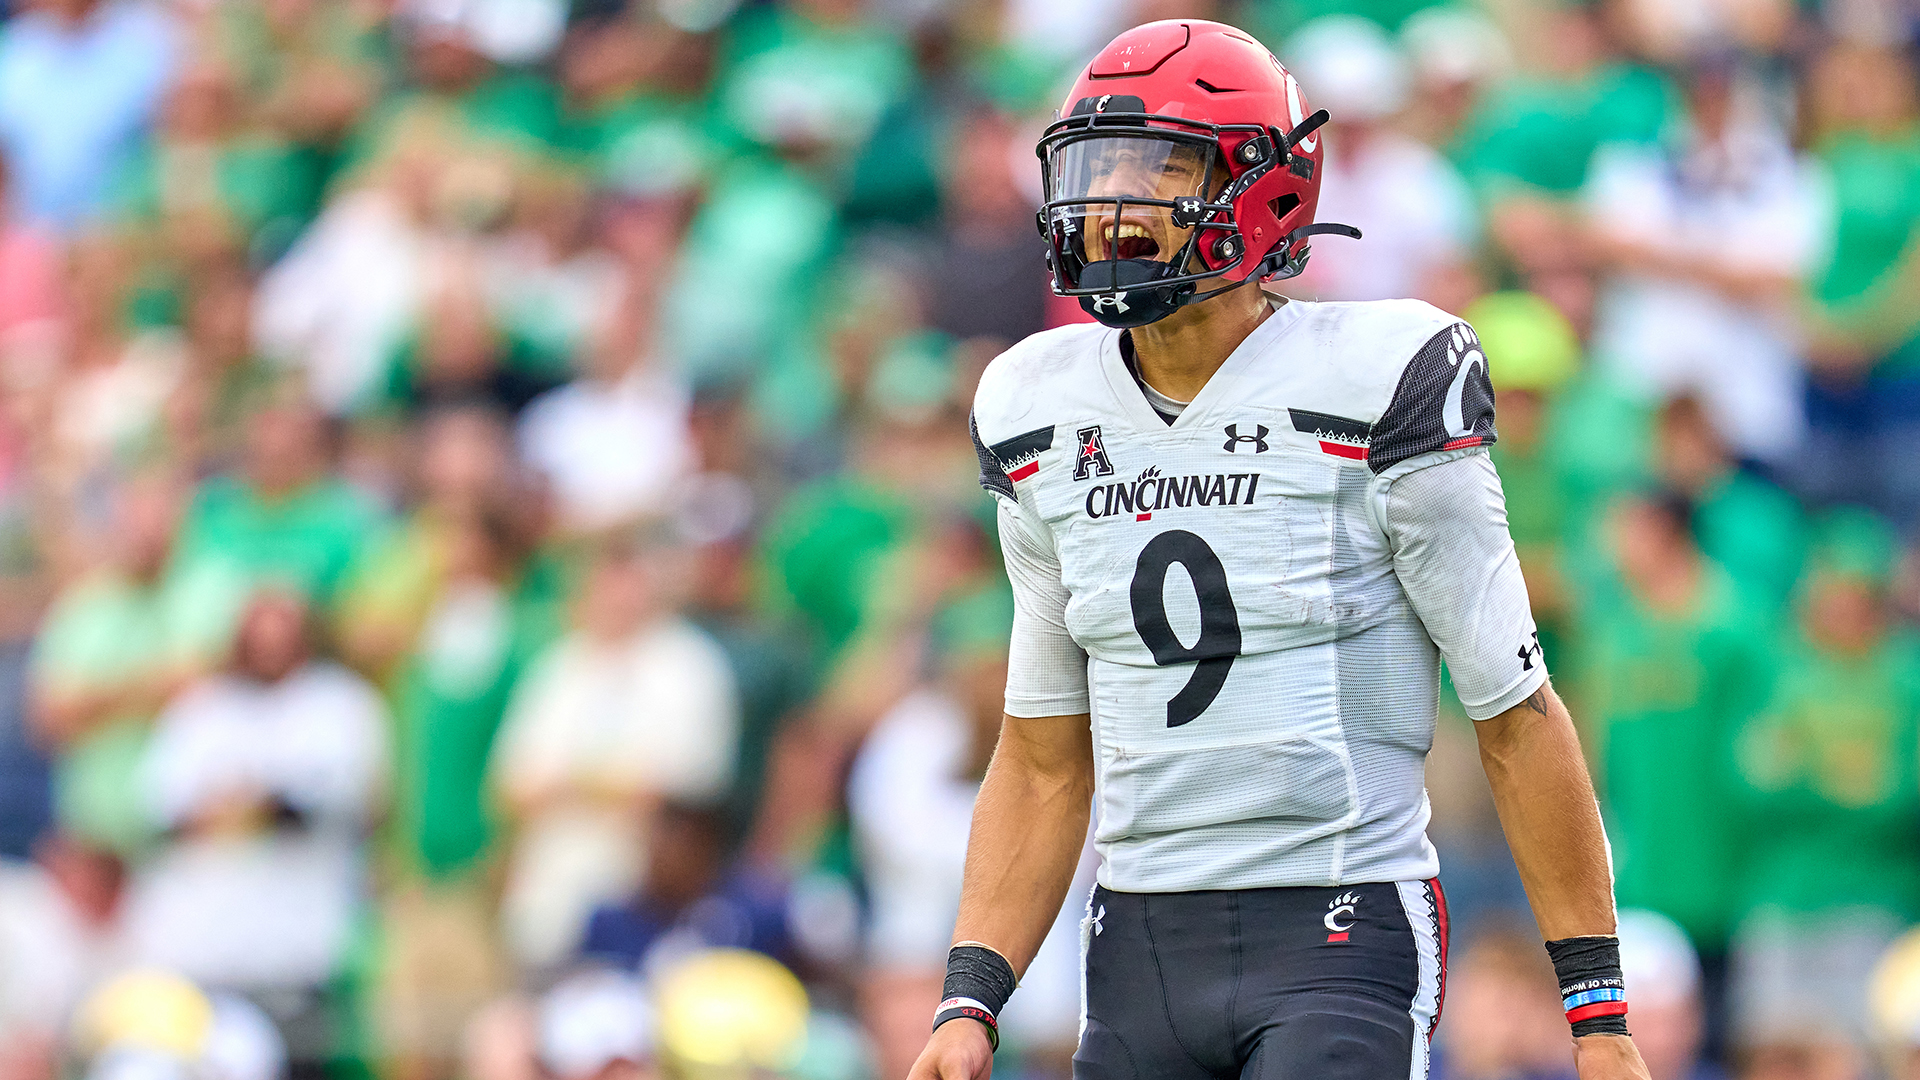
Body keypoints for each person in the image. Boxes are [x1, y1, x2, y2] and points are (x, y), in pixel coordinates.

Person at [912, 20, 1650, 1080]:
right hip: (1136, 944)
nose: (1113, 208)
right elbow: (1039, 750)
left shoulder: (1384, 375)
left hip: (1338, 925)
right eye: (1096, 170)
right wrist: (969, 999)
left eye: (1157, 172)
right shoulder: (1038, 403)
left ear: (1261, 187)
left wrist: (1599, 1011)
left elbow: (1514, 713)